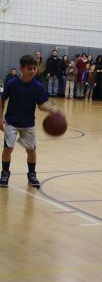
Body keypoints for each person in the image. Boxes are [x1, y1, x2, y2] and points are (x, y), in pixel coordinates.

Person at [0, 54, 63, 188]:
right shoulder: (12, 83)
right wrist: (1, 118)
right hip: (11, 121)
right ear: (21, 69)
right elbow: (2, 100)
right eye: (30, 68)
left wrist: (51, 109)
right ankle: (5, 173)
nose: (33, 71)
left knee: (31, 150)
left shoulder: (38, 86)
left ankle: (32, 174)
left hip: (28, 123)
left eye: (34, 68)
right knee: (8, 148)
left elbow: (41, 105)